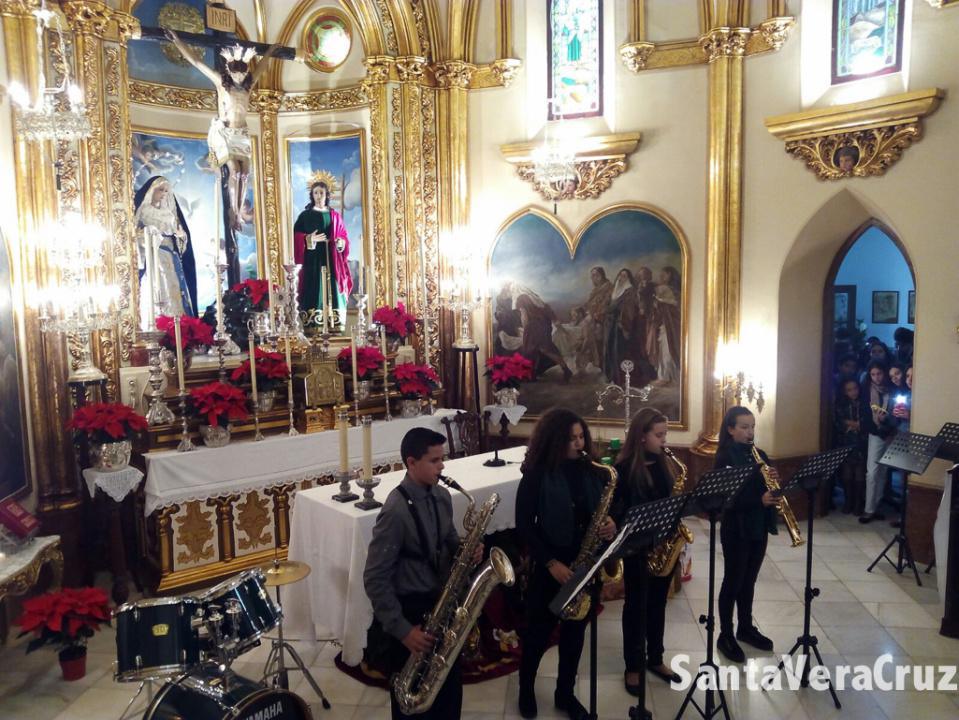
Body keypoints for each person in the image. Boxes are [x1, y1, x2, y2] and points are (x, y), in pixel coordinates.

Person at [363, 427, 482, 720]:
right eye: (434, 460)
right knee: (412, 703)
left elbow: (449, 541)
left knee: (448, 693)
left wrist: (467, 550)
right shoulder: (395, 511)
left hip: (440, 604)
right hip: (412, 614)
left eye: (443, 459)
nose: (442, 467)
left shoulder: (441, 495)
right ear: (411, 462)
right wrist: (403, 631)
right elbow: (375, 578)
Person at [515, 408, 616, 720]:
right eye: (571, 438)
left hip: (585, 566)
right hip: (552, 567)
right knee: (538, 635)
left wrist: (610, 523)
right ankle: (526, 689)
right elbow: (524, 525)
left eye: (581, 436)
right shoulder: (537, 473)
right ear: (554, 440)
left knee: (574, 636)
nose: (579, 443)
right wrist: (550, 563)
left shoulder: (592, 469)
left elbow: (602, 510)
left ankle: (565, 693)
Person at [165, 30, 279, 285]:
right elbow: (197, 62)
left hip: (242, 134)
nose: (239, 77)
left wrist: (271, 50)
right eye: (236, 73)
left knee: (245, 173)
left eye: (242, 73)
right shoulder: (221, 83)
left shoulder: (248, 84)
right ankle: (232, 211)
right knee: (234, 171)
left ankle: (237, 212)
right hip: (226, 133)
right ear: (229, 70)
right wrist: (178, 42)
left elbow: (261, 66)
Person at [613, 407, 682, 696]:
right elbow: (618, 511)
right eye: (659, 434)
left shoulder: (665, 464)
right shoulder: (625, 469)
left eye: (665, 434)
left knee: (657, 604)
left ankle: (655, 657)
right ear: (642, 436)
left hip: (661, 545)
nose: (664, 440)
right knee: (636, 607)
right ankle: (632, 665)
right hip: (637, 549)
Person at [714, 406, 780, 664]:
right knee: (733, 580)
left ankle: (745, 627)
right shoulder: (724, 457)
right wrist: (758, 500)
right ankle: (726, 633)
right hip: (736, 527)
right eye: (743, 427)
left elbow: (766, 487)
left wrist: (773, 480)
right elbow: (726, 500)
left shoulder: (759, 454)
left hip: (758, 525)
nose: (750, 432)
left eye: (752, 426)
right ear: (730, 429)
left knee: (749, 579)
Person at [133, 175, 197, 319]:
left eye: (166, 191)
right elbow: (134, 236)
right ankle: (159, 322)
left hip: (171, 258)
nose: (163, 194)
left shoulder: (169, 214)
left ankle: (178, 325)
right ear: (152, 190)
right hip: (154, 258)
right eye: (160, 190)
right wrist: (149, 234)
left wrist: (181, 236)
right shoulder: (144, 211)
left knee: (175, 290)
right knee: (160, 289)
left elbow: (180, 241)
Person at [293, 181, 352, 317]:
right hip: (313, 261)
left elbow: (343, 235)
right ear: (312, 195)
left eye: (321, 193)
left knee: (334, 290)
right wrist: (309, 238)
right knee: (313, 289)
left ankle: (335, 321)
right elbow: (295, 236)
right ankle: (314, 321)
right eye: (316, 193)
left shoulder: (335, 216)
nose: (319, 196)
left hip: (332, 259)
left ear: (327, 195)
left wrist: (341, 242)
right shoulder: (305, 216)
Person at [860, 360, 897, 523]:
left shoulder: (892, 389)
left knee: (883, 471)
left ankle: (876, 506)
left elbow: (896, 413)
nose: (877, 377)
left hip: (891, 433)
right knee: (872, 472)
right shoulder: (867, 390)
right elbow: (865, 415)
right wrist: (878, 427)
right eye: (873, 374)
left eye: (879, 373)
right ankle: (868, 509)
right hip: (875, 434)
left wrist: (887, 423)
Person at [833, 377, 868, 514]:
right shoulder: (841, 404)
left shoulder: (865, 402)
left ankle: (858, 503)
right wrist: (853, 424)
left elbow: (867, 422)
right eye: (849, 390)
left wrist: (853, 424)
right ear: (844, 391)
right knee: (847, 473)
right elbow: (838, 422)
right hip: (845, 441)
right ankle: (848, 501)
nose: (853, 392)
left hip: (861, 441)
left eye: (855, 388)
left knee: (860, 472)